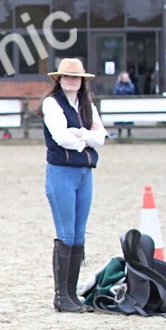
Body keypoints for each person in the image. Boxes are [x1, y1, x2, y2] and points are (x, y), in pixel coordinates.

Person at [41, 58, 107, 313]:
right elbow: (61, 137)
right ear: (59, 79)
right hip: (61, 173)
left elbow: (101, 137)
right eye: (67, 76)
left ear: (82, 81)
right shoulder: (51, 104)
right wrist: (85, 138)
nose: (71, 80)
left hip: (84, 174)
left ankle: (71, 293)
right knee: (66, 233)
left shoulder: (87, 105)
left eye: (75, 77)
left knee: (79, 235)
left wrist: (81, 134)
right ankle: (62, 295)